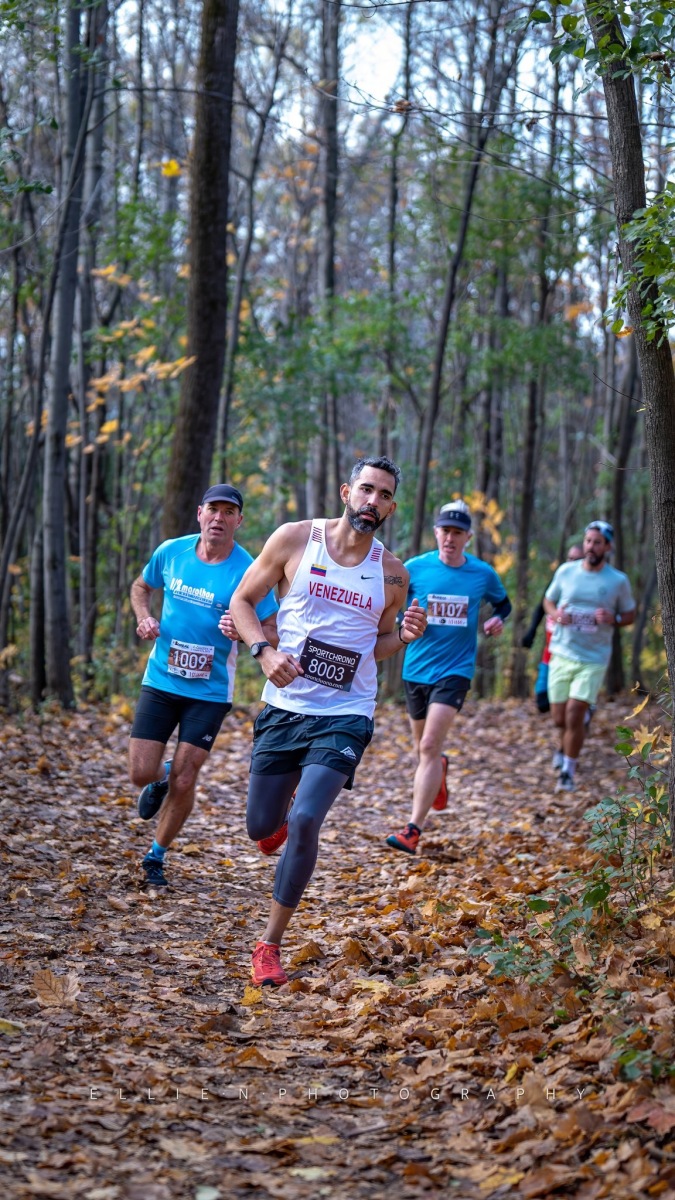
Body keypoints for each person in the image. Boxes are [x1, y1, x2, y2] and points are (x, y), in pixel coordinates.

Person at [229, 456, 427, 987]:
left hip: (346, 712)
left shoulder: (393, 574)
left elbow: (380, 643)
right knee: (259, 826)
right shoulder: (295, 539)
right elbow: (243, 601)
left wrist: (404, 638)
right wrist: (264, 652)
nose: (373, 502)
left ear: (391, 506)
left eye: (384, 495)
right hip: (285, 705)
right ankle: (281, 818)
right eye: (366, 490)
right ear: (346, 491)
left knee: (308, 820)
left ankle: (269, 945)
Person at [129, 484, 278, 888]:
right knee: (141, 772)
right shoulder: (172, 552)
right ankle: (158, 779)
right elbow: (141, 587)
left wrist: (242, 630)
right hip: (161, 679)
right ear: (200, 513)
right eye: (213, 509)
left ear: (239, 521)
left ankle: (156, 855)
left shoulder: (249, 570)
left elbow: (271, 628)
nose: (219, 517)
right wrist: (144, 617)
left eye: (229, 511)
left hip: (209, 692)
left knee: (186, 776)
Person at [386, 500, 512, 856]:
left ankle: (413, 829)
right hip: (416, 669)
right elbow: (391, 604)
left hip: (455, 670)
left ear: (468, 537)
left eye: (458, 532)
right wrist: (399, 622)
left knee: (427, 746)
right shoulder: (415, 569)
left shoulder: (482, 574)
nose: (450, 538)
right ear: (436, 533)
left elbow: (503, 604)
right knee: (423, 750)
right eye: (445, 531)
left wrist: (496, 619)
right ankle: (438, 770)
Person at [543, 520, 635, 793]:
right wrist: (556, 614)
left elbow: (629, 615)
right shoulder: (566, 571)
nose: (591, 547)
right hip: (562, 652)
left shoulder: (617, 581)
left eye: (597, 542)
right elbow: (548, 601)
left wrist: (614, 618)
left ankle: (568, 772)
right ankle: (565, 741)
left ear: (607, 547)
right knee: (559, 719)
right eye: (588, 541)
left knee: (574, 714)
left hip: (594, 657)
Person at [522, 544, 584, 714]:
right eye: (569, 558)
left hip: (576, 655)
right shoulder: (558, 580)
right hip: (550, 653)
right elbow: (541, 606)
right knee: (542, 703)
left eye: (577, 559)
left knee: (572, 708)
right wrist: (531, 632)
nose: (571, 563)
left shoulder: (589, 588)